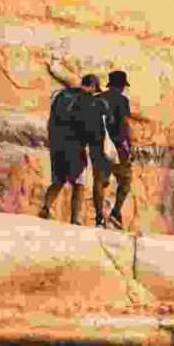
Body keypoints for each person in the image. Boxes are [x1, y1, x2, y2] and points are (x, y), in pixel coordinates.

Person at [40, 64, 110, 226]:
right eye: (95, 89)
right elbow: (89, 128)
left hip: (57, 146)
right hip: (75, 147)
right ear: (92, 86)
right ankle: (75, 219)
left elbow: (52, 121)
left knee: (59, 180)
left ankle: (45, 207)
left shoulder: (62, 96)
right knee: (79, 183)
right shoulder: (89, 101)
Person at [99, 69, 136, 229]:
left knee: (99, 182)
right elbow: (125, 124)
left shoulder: (98, 99)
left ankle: (99, 216)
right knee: (126, 181)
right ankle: (115, 211)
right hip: (117, 146)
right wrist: (129, 145)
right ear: (121, 86)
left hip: (98, 146)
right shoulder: (122, 101)